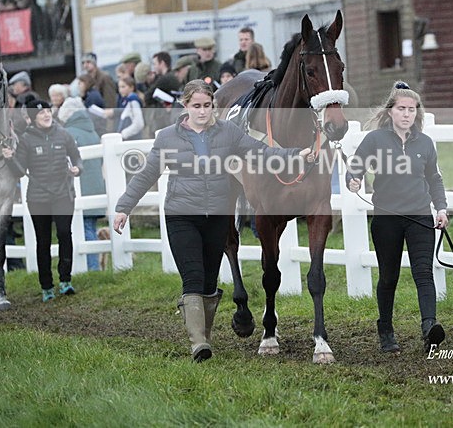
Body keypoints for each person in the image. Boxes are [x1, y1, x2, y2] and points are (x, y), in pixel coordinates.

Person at [113, 79, 315, 362]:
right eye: (196, 106)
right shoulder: (167, 138)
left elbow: (260, 152)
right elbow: (147, 175)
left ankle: (204, 337)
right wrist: (124, 207)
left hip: (217, 217)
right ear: (186, 106)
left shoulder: (228, 132)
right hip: (182, 215)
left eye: (207, 106)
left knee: (209, 281)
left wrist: (294, 154)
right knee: (193, 278)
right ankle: (199, 344)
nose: (202, 111)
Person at [346, 81, 449, 354]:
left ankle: (430, 327)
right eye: (402, 109)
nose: (407, 114)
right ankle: (386, 331)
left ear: (417, 113)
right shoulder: (375, 140)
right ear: (390, 111)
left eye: (412, 110)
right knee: (388, 277)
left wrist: (441, 208)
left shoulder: (425, 144)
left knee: (423, 273)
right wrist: (354, 180)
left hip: (419, 217)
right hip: (387, 218)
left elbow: (434, 179)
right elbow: (355, 166)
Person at [2, 100, 83, 302]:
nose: (47, 115)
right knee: (43, 240)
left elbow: (77, 157)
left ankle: (65, 281)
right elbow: (18, 171)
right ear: (31, 118)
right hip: (38, 197)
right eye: (41, 113)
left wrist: (77, 168)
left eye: (48, 111)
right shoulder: (26, 140)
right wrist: (9, 159)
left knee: (65, 233)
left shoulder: (63, 134)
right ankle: (46, 286)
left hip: (63, 193)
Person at [58, 97, 105, 272]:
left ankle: (91, 269)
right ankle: (93, 267)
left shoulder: (68, 133)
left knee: (84, 230)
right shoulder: (92, 132)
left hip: (81, 188)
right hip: (95, 187)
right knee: (89, 228)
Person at [106, 76, 145, 140]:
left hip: (133, 139)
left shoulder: (133, 100)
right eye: (119, 87)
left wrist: (123, 134)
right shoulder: (124, 100)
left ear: (131, 87)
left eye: (123, 87)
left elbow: (139, 123)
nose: (120, 90)